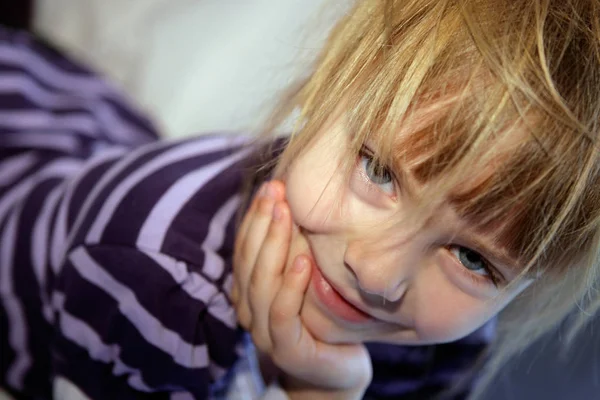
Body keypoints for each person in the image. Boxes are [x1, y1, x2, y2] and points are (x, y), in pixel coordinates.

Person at [2, 0, 600, 399]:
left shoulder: (443, 332)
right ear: (326, 82)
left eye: (473, 258)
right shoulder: (150, 283)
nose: (377, 275)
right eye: (379, 171)